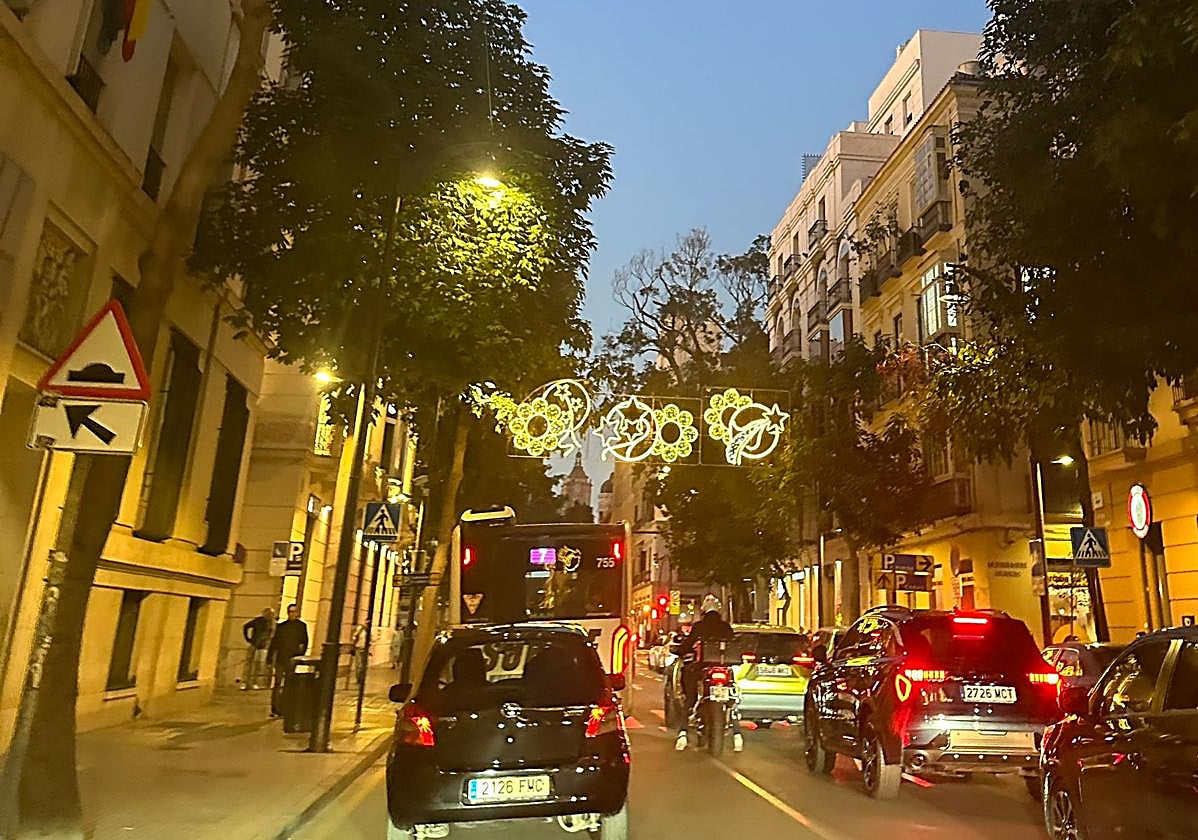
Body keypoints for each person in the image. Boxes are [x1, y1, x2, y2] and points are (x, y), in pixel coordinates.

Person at [672, 595, 737, 752]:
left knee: (690, 694)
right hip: (724, 668)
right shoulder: (726, 627)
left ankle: (684, 728)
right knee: (732, 694)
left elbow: (687, 645)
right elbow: (734, 644)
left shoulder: (699, 626)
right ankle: (735, 728)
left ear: (703, 611)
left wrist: (679, 650)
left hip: (703, 668)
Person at [268, 604, 309, 717]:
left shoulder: (301, 626)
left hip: (292, 659)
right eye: (290, 612)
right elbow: (274, 643)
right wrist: (269, 658)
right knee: (278, 683)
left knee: (289, 684)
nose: (292, 614)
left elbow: (304, 642)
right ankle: (275, 708)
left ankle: (285, 707)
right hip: (281, 659)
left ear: (297, 613)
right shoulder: (281, 626)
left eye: (294, 612)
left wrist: (300, 656)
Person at [241, 607, 274, 690]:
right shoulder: (258, 621)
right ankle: (245, 682)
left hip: (263, 646)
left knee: (259, 665)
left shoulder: (272, 623)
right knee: (249, 664)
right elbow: (246, 626)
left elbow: (271, 634)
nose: (270, 616)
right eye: (268, 614)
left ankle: (255, 682)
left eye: (271, 614)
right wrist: (248, 638)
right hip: (254, 644)